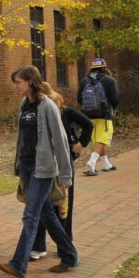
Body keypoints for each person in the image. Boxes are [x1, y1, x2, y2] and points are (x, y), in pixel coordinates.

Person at [0, 66, 78, 278]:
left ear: (30, 82)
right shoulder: (24, 105)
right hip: (26, 167)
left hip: (43, 170)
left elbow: (60, 141)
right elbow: (23, 139)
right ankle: (69, 255)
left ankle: (18, 265)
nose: (16, 86)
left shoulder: (47, 106)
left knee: (30, 215)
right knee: (47, 215)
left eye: (18, 82)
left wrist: (66, 175)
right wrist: (18, 165)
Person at [31, 91, 93, 260]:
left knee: (63, 206)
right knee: (42, 206)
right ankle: (38, 245)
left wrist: (81, 144)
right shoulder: (35, 113)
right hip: (44, 165)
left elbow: (88, 124)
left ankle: (64, 245)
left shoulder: (64, 111)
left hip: (63, 165)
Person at [77, 58, 120, 176]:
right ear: (104, 67)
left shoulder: (84, 81)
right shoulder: (110, 80)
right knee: (103, 139)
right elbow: (115, 99)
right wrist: (111, 108)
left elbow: (79, 99)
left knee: (97, 140)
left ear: (92, 68)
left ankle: (106, 164)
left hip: (87, 116)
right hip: (104, 116)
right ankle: (92, 162)